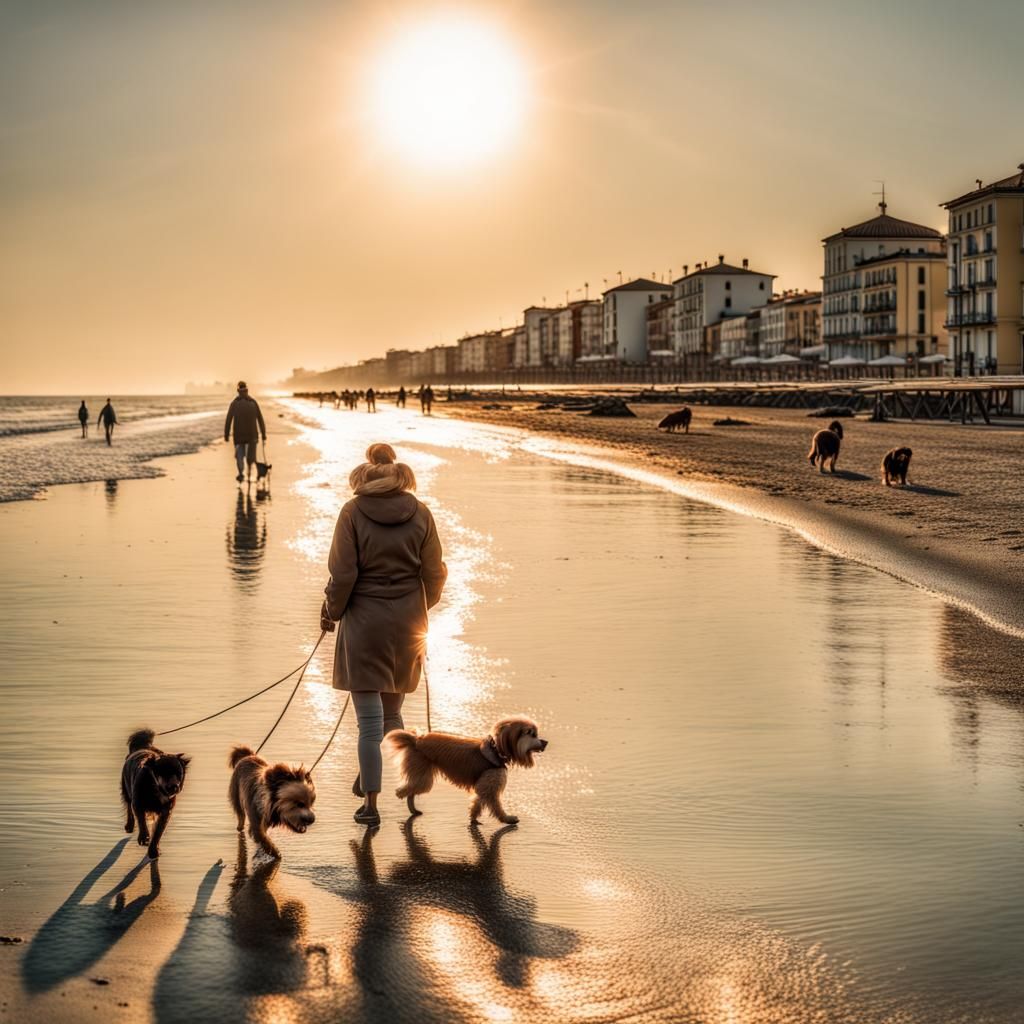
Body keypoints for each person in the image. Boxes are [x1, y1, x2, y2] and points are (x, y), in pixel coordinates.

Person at [321, 443, 447, 827]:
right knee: (392, 714)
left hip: (364, 622)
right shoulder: (421, 512)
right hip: (408, 623)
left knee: (369, 725)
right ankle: (380, 778)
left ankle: (370, 805)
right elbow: (436, 572)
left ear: (364, 473)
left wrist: (331, 611)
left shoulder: (352, 511)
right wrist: (421, 607)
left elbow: (344, 574)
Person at [224, 381, 267, 483]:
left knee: (240, 458)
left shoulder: (234, 403)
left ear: (238, 390)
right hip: (251, 436)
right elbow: (260, 419)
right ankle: (248, 473)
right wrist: (263, 434)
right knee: (250, 459)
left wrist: (226, 434)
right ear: (246, 390)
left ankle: (242, 474)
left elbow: (228, 420)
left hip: (240, 437)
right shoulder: (253, 402)